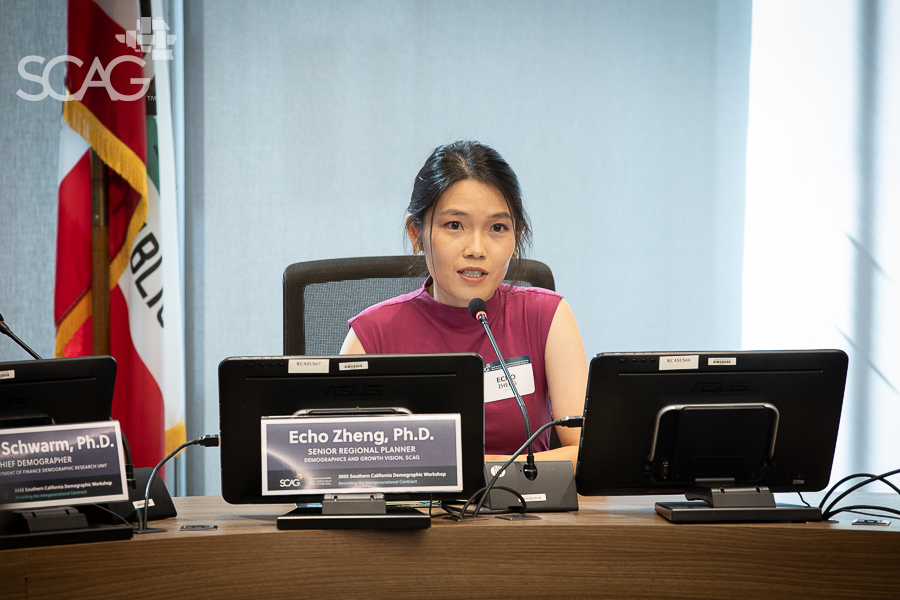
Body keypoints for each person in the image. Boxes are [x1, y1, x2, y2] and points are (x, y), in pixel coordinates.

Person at [341, 141, 588, 469]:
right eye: (454, 225)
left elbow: (585, 453)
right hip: (417, 516)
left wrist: (476, 472)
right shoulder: (372, 335)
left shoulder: (548, 317)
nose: (476, 248)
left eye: (497, 228)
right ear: (416, 233)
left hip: (526, 514)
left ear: (517, 238)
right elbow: (343, 462)